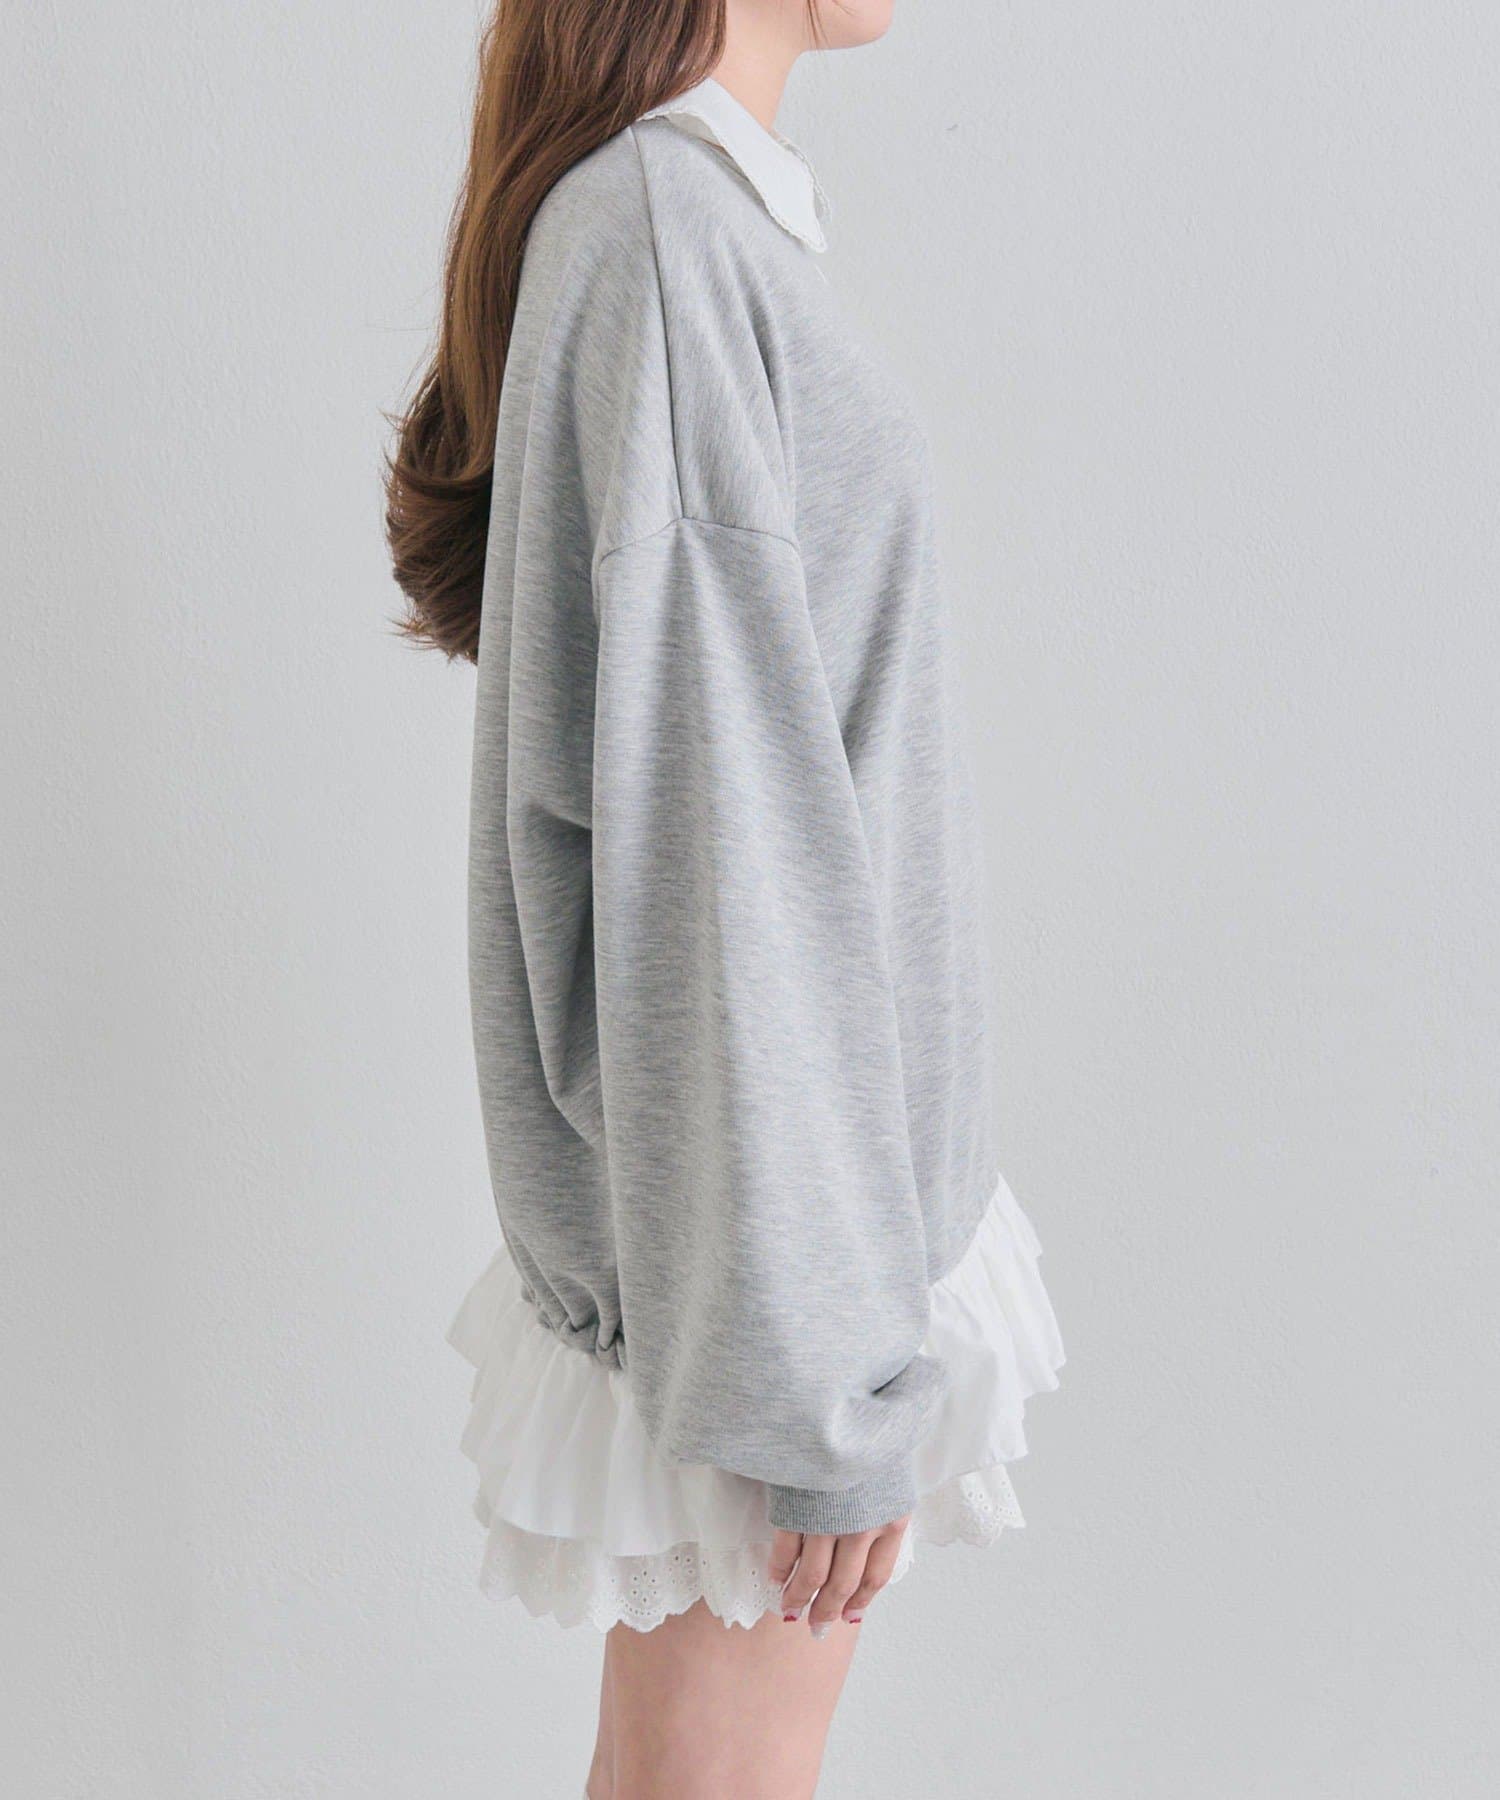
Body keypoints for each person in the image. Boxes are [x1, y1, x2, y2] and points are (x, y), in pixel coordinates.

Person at [385, 2, 1064, 1793]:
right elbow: (718, 847)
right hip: (768, 1262)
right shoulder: (665, 239)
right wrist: (816, 1382)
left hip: (781, 1236)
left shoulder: (685, 224)